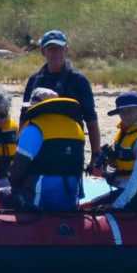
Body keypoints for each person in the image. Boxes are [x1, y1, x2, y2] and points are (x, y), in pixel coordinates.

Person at [22, 30, 101, 169]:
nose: (55, 53)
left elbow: (91, 119)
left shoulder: (79, 80)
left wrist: (96, 155)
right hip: (40, 144)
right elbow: (24, 117)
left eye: (59, 49)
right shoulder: (34, 80)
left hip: (71, 144)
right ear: (43, 52)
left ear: (66, 50)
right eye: (51, 49)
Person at [0, 87, 86, 211]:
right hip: (70, 195)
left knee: (3, 195)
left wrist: (12, 184)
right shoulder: (76, 127)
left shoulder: (33, 129)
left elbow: (17, 170)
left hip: (40, 199)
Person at [83, 91, 137, 212]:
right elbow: (123, 167)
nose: (125, 115)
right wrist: (103, 168)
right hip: (133, 189)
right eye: (122, 112)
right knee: (88, 206)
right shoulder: (126, 132)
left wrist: (117, 206)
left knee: (98, 210)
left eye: (130, 110)